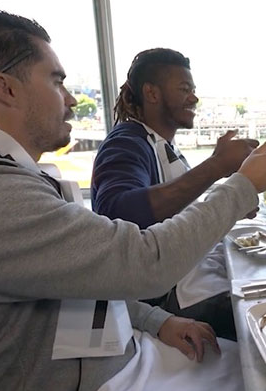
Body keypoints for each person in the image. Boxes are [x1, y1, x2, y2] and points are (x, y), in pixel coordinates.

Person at [0, 9, 266, 391]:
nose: (72, 99)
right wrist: (240, 184)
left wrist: (152, 319)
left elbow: (69, 277)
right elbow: (143, 260)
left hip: (112, 360)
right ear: (6, 87)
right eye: (56, 81)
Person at [91, 48, 254, 340]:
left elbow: (177, 206)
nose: (194, 97)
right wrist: (217, 165)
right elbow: (116, 212)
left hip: (193, 274)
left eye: (193, 90)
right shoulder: (126, 142)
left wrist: (231, 200)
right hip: (170, 300)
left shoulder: (160, 143)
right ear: (151, 93)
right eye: (184, 89)